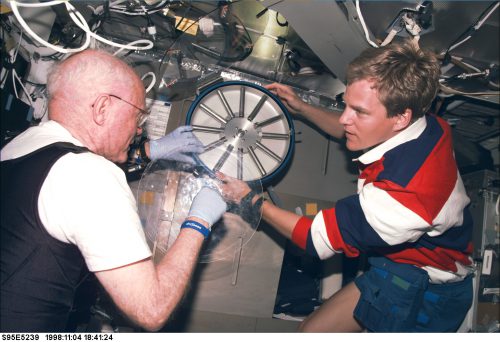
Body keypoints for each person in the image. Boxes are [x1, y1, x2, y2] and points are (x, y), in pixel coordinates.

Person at [219, 41, 474, 332]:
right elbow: (356, 129)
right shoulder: (428, 124)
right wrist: (302, 108)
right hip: (401, 261)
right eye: (346, 105)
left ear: (402, 117)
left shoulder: (404, 198)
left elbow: (313, 240)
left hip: (428, 289)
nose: (344, 118)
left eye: (359, 112)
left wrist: (248, 198)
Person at [0, 49, 227, 332]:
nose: (139, 130)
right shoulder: (90, 174)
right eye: (138, 117)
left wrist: (148, 152)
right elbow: (151, 309)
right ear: (102, 108)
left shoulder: (16, 146)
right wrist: (199, 222)